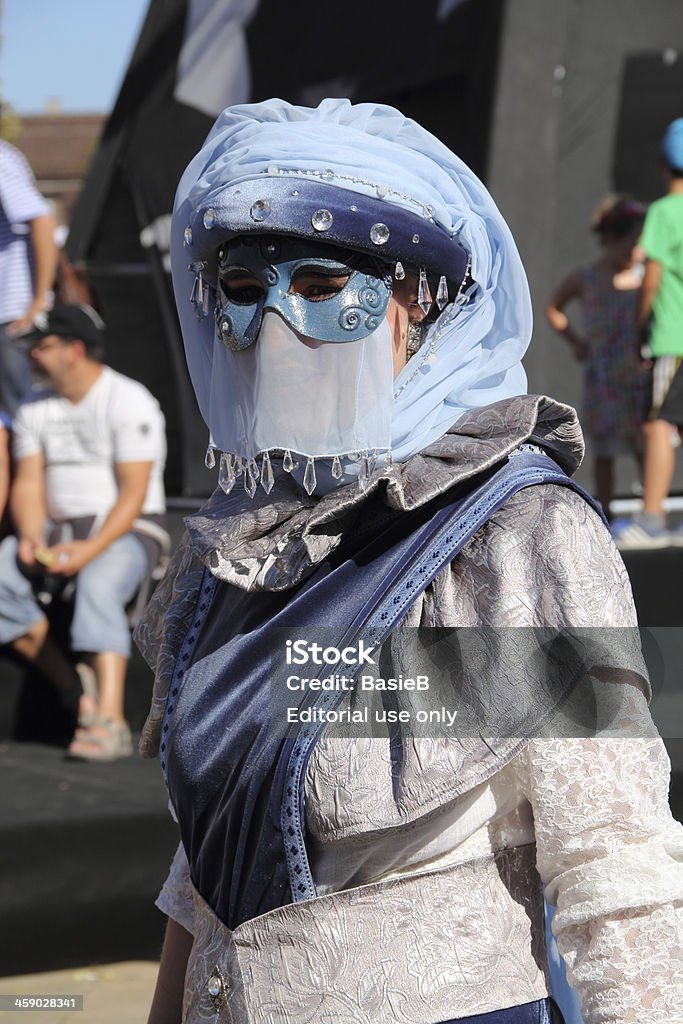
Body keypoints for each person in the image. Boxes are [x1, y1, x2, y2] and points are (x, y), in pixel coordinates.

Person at [136, 100, 683, 1024]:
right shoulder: (244, 544)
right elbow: (219, 850)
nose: (277, 325)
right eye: (241, 286)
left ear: (416, 303)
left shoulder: (513, 537)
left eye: (318, 283)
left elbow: (615, 868)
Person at [0, 304, 167, 761]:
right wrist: (32, 538)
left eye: (43, 344)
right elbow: (29, 483)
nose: (32, 353)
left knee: (99, 581)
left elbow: (134, 494)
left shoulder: (128, 399)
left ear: (74, 350)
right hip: (57, 534)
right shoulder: (34, 406)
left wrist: (91, 548)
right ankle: (75, 689)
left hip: (127, 532)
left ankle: (110, 722)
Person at [545, 196, 647, 516]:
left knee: (645, 445)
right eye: (632, 243)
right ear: (612, 240)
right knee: (605, 450)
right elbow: (554, 308)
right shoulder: (587, 278)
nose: (637, 252)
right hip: (603, 378)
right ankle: (607, 512)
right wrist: (577, 343)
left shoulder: (645, 278)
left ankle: (650, 510)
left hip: (640, 375)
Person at [611, 118, 683, 548]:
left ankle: (653, 518)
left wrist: (641, 327)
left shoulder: (662, 212)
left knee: (658, 425)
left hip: (671, 340)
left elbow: (651, 281)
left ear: (663, 165)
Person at [0, 140, 58, 418]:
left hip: (11, 313)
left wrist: (38, 300)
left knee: (20, 418)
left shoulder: (1, 158)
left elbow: (42, 222)